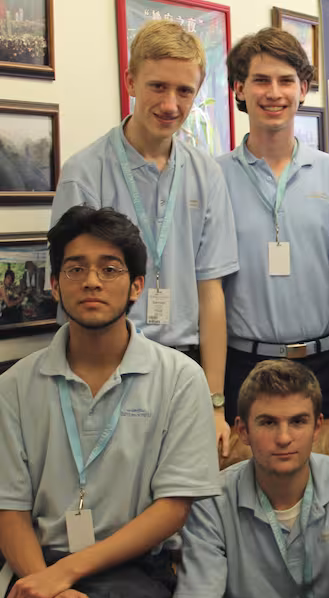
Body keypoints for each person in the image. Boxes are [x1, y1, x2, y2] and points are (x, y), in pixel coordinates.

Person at [0, 206, 220, 598]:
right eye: (75, 269)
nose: (91, 282)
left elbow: (173, 507)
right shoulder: (13, 386)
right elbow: (8, 510)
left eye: (109, 269)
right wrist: (51, 586)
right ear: (55, 285)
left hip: (133, 567)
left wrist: (65, 574)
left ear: (136, 286)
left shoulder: (181, 378)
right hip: (37, 564)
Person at [50, 20, 239, 455]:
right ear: (131, 81)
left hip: (184, 365)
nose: (170, 104)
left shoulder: (206, 173)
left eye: (184, 91)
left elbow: (211, 291)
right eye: (157, 86)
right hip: (107, 365)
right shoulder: (86, 172)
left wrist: (215, 402)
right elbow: (72, 290)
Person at [219, 27, 329, 423]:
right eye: (261, 80)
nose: (273, 93)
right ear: (239, 89)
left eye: (286, 81)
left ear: (303, 88)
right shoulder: (212, 178)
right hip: (243, 365)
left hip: (327, 364)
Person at [175, 359, 329, 598]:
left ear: (317, 427)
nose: (284, 438)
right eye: (268, 422)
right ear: (243, 431)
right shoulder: (210, 501)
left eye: (298, 421)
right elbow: (199, 593)